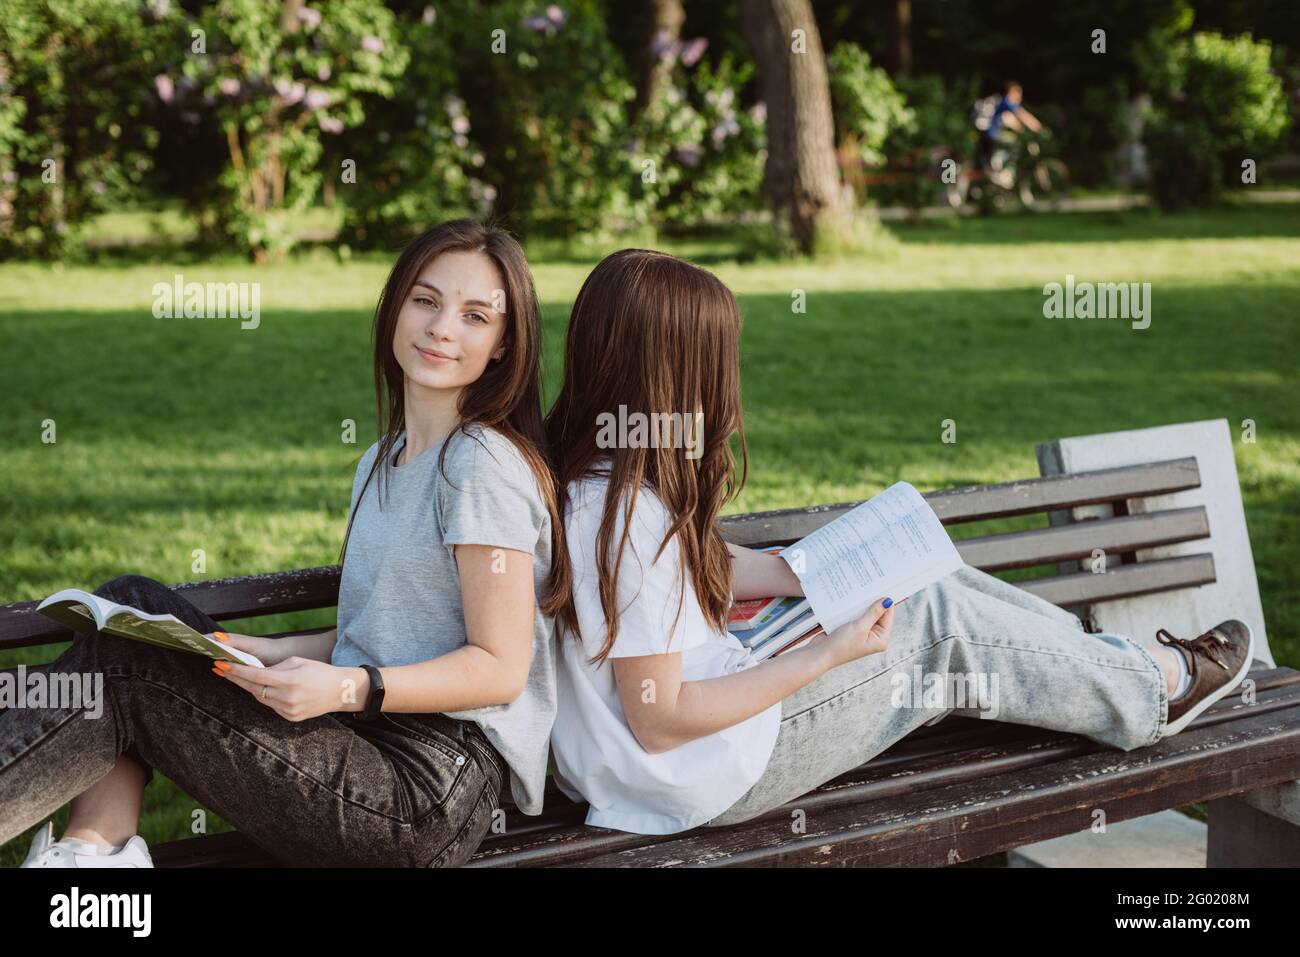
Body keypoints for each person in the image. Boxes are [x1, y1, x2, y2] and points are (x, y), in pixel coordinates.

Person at [542, 248, 1255, 835]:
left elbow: (679, 577)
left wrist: (804, 573)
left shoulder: (596, 479)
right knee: (935, 622)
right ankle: (1154, 689)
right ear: (679, 373)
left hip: (668, 756)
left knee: (925, 581)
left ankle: (1105, 665)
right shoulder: (629, 517)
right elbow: (662, 719)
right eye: (719, 357)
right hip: (700, 773)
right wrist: (829, 650)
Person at [2, 218, 562, 867]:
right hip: (367, 737)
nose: (442, 327)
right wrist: (271, 649)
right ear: (395, 308)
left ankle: (93, 853)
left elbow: (499, 665)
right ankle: (93, 852)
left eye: (474, 316)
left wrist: (349, 688)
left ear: (502, 345)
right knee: (134, 610)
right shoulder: (384, 459)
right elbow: (388, 622)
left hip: (426, 791)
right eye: (426, 300)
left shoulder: (482, 465)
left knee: (128, 670)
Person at [975, 80, 1043, 189]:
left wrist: (1021, 129)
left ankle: (998, 170)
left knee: (1009, 142)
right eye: (1018, 93)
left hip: (985, 134)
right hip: (991, 134)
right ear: (1010, 92)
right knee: (1013, 144)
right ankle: (1003, 172)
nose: (1020, 97)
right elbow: (1023, 115)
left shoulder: (999, 102)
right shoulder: (1007, 102)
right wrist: (1039, 128)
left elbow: (1010, 120)